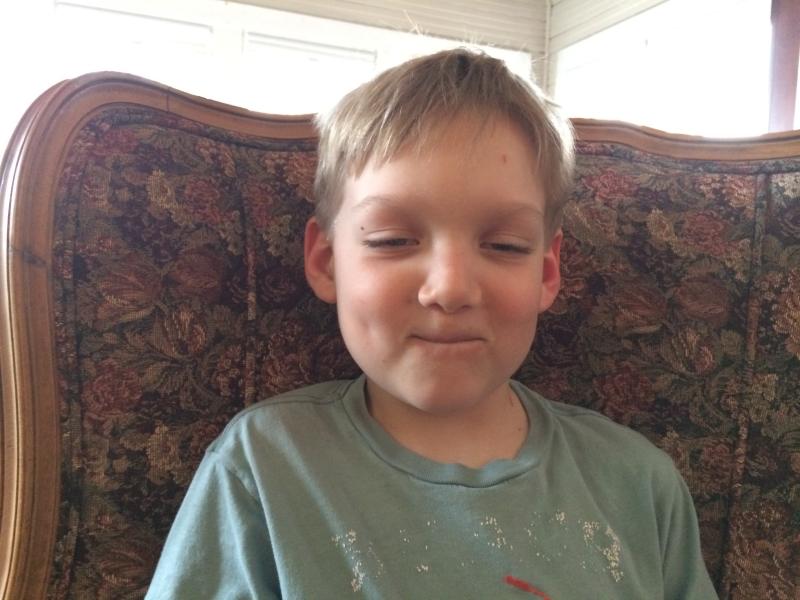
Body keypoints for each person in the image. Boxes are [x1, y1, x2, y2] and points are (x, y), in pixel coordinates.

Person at [146, 49, 718, 599]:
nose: (449, 289)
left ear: (547, 273)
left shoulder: (637, 483)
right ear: (326, 262)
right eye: (392, 240)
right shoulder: (264, 466)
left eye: (504, 245)